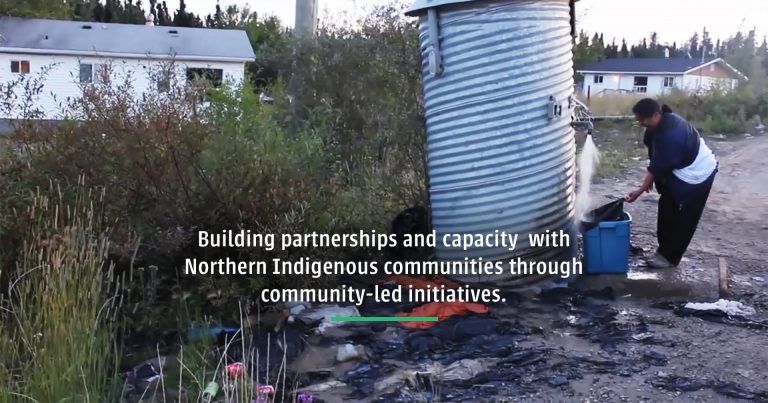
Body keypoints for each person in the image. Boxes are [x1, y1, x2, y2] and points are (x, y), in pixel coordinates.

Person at [625, 98, 718, 269]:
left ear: (656, 114)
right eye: (639, 120)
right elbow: (656, 159)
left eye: (643, 120)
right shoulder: (655, 128)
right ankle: (662, 252)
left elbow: (659, 165)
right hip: (680, 166)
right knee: (667, 207)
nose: (642, 124)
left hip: (699, 171)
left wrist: (640, 190)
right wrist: (653, 179)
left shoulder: (671, 134)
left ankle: (670, 258)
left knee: (686, 217)